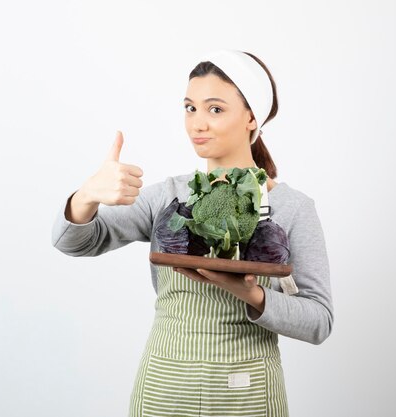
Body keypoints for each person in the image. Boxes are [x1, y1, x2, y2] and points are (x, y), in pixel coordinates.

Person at [51, 49, 333, 417]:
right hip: (163, 388)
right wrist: (86, 195)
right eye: (190, 108)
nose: (197, 123)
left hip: (246, 392)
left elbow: (319, 321)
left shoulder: (292, 207)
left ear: (251, 117)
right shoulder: (167, 196)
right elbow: (72, 242)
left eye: (215, 109)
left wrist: (252, 294)